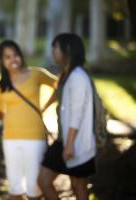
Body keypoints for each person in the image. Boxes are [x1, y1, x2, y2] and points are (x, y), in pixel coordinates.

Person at [0, 40, 57, 200]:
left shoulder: (36, 74)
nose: (13, 59)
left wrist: (44, 108)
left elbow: (60, 85)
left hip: (35, 138)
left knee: (34, 187)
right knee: (14, 188)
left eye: (15, 55)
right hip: (10, 140)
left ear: (21, 56)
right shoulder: (0, 86)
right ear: (2, 61)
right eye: (7, 57)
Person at [38, 33, 96, 200]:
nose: (53, 51)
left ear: (67, 50)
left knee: (78, 187)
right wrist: (41, 109)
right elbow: (58, 92)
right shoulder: (67, 75)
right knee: (44, 180)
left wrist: (69, 144)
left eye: (55, 47)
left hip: (76, 142)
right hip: (64, 140)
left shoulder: (78, 77)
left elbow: (77, 113)